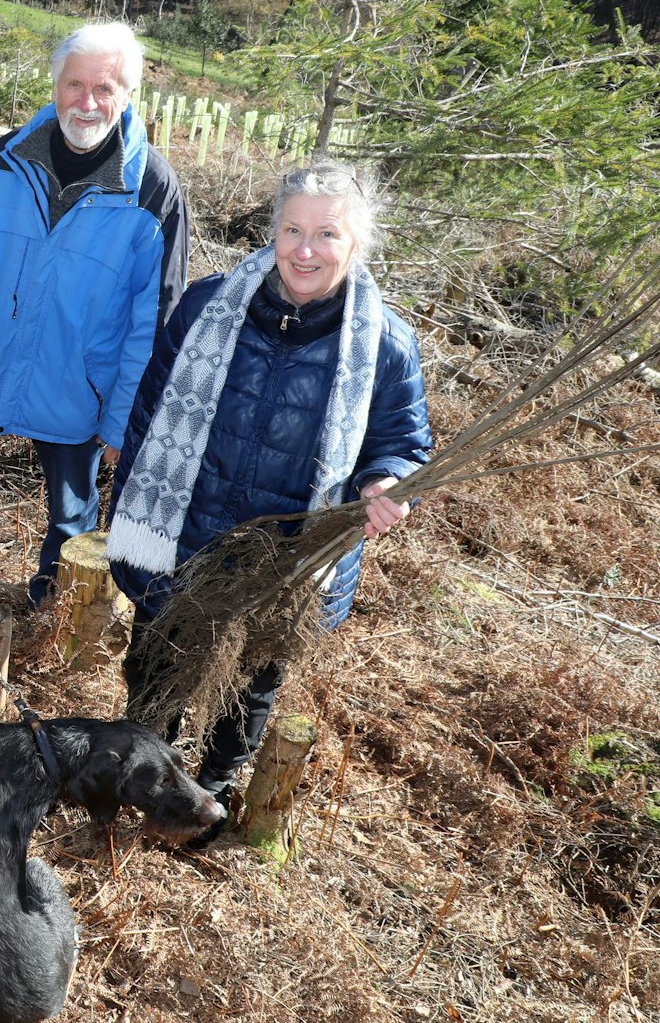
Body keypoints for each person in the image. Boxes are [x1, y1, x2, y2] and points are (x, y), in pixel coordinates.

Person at [107, 159, 433, 844]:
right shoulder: (206, 307)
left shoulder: (385, 344)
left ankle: (211, 799)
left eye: (326, 234)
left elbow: (403, 439)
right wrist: (136, 502)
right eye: (292, 229)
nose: (305, 249)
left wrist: (385, 483)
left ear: (356, 245)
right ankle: (144, 791)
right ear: (272, 230)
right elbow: (150, 409)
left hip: (286, 561)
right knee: (157, 663)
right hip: (185, 534)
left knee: (246, 687)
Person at [0, 22, 188, 608]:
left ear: (128, 95)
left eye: (105, 88)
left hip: (78, 389)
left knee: (71, 521)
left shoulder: (153, 189)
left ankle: (50, 614)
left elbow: (154, 321)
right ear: (55, 86)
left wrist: (123, 419)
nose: (87, 102)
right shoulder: (6, 158)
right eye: (74, 84)